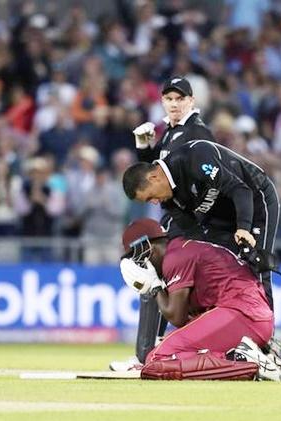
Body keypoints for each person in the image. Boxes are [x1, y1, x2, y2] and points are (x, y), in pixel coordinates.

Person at [111, 76, 217, 371]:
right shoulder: (171, 134)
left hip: (189, 223)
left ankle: (145, 355)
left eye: (179, 99)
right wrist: (146, 150)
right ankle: (149, 353)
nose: (173, 104)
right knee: (153, 275)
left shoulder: (197, 133)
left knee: (149, 271)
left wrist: (197, 217)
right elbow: (156, 177)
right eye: (168, 99)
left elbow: (205, 178)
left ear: (191, 102)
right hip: (175, 220)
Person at [122, 138, 280, 308]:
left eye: (150, 197)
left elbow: (240, 190)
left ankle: (266, 332)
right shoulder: (168, 200)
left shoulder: (194, 158)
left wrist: (243, 228)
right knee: (219, 267)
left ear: (154, 177)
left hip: (255, 198)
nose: (154, 202)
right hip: (220, 215)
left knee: (257, 265)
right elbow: (194, 234)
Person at [119, 218, 281, 381]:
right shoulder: (182, 249)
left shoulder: (174, 258)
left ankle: (243, 359)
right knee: (173, 352)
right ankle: (261, 354)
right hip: (252, 317)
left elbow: (176, 316)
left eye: (136, 257)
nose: (137, 265)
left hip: (243, 315)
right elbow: (185, 320)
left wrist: (154, 286)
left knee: (157, 358)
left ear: (148, 247)